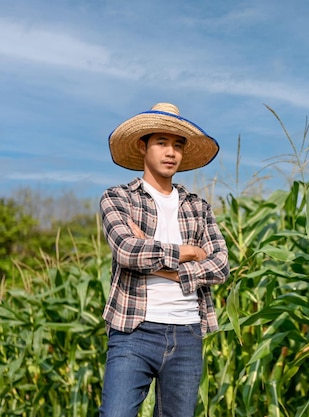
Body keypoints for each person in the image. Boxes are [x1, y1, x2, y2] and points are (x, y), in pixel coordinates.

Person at [98, 102, 230, 416]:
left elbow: (221, 265)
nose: (170, 152)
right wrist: (186, 252)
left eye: (178, 145)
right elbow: (127, 251)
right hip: (134, 330)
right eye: (161, 143)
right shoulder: (118, 198)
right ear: (143, 146)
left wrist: (161, 261)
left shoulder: (198, 207)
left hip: (187, 333)